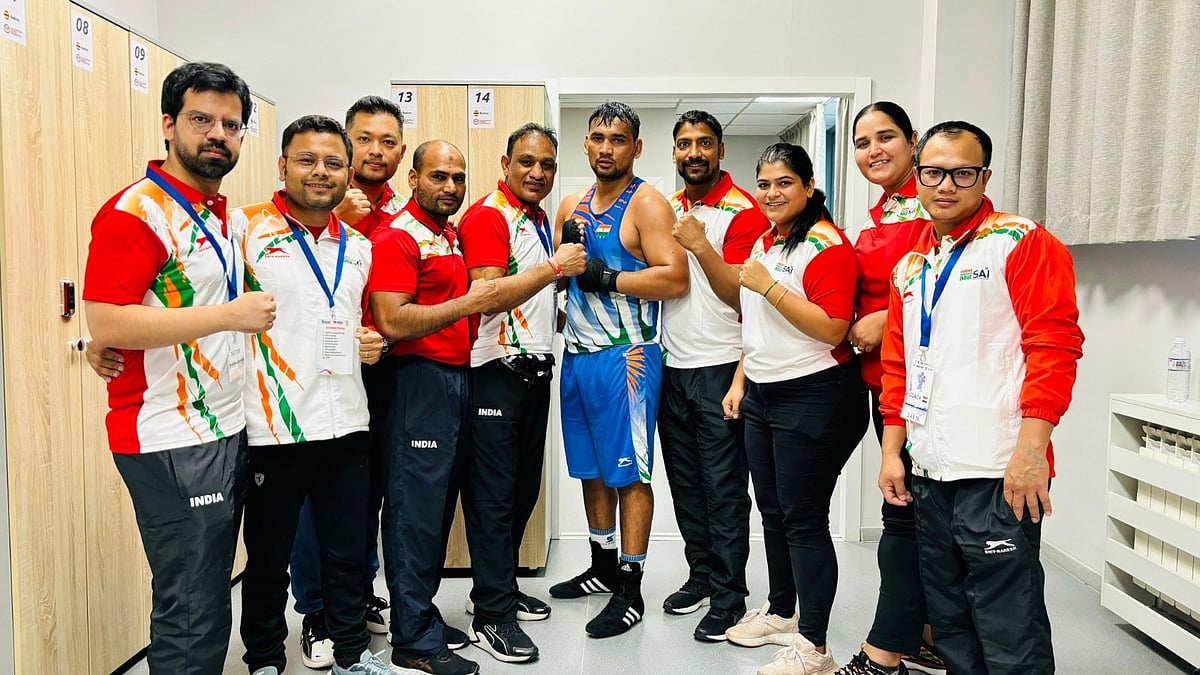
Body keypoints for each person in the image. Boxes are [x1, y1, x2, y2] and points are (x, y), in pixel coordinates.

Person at [82, 62, 274, 674]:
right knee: (191, 607)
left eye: (231, 124)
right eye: (201, 120)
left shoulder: (219, 211)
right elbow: (107, 322)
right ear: (168, 125)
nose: (217, 134)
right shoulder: (136, 212)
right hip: (169, 435)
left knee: (208, 593)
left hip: (219, 426)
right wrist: (229, 316)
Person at [878, 121, 1084, 675]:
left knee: (1007, 619)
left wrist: (1030, 453)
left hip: (998, 469)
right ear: (916, 178)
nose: (947, 185)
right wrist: (892, 451)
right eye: (934, 172)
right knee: (948, 618)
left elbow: (1055, 347)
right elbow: (899, 367)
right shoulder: (912, 264)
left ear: (984, 176)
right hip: (930, 469)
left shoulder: (1022, 241)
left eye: (963, 173)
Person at [232, 115, 392, 675]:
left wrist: (368, 342)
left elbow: (348, 321)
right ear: (282, 165)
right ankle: (265, 661)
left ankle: (353, 657)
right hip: (273, 425)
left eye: (332, 163)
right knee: (270, 559)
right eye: (307, 160)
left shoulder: (358, 247)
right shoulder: (242, 229)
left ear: (348, 172)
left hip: (346, 421)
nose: (320, 173)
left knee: (349, 555)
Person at [722, 143, 868, 675]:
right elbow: (756, 327)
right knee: (773, 511)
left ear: (809, 186)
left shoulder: (828, 245)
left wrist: (768, 285)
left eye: (784, 183)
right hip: (762, 392)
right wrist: (741, 380)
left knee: (804, 519)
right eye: (763, 183)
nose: (771, 193)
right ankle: (783, 611)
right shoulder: (767, 239)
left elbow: (833, 328)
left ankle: (815, 646)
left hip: (816, 394)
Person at [549, 102, 688, 638]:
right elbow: (566, 276)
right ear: (585, 143)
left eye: (619, 139)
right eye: (598, 137)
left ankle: (630, 588)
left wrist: (608, 281)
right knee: (590, 469)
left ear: (636, 147)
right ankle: (602, 566)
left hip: (627, 357)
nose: (607, 147)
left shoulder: (647, 204)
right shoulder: (572, 201)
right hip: (578, 355)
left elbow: (674, 279)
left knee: (630, 473)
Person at [367, 140, 499, 675]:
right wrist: (470, 302)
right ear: (414, 178)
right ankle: (413, 640)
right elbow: (393, 321)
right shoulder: (397, 236)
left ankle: (419, 614)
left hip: (454, 378)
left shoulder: (443, 233)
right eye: (439, 176)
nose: (450, 187)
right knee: (414, 509)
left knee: (439, 505)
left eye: (459, 178)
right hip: (416, 382)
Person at [457, 123, 587, 663]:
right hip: (496, 371)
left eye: (548, 165)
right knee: (492, 497)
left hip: (534, 368)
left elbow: (527, 295)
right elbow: (487, 297)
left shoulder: (532, 217)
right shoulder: (489, 215)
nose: (538, 173)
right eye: (527, 162)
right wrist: (556, 266)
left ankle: (499, 589)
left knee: (521, 492)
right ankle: (492, 615)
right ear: (505, 162)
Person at [288, 94, 409, 669]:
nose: (376, 151)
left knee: (364, 496)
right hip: (316, 379)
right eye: (365, 140)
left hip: (378, 372)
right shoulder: (326, 211)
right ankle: (314, 611)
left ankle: (356, 593)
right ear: (345, 143)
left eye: (388, 141)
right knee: (316, 502)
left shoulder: (402, 219)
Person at [835, 102, 944, 675]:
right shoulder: (881, 210)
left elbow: (938, 282)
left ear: (913, 142)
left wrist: (885, 318)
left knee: (903, 517)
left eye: (886, 138)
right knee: (913, 513)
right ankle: (923, 634)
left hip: (922, 387)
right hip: (884, 385)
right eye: (862, 141)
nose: (873, 150)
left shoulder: (933, 204)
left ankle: (884, 654)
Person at [659, 110, 768, 641]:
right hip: (671, 366)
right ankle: (700, 576)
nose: (694, 153)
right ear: (674, 153)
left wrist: (701, 243)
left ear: (721, 151)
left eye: (705, 143)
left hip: (722, 365)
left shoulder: (743, 212)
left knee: (724, 489)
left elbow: (741, 297)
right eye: (684, 144)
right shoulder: (670, 207)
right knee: (686, 484)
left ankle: (729, 597)